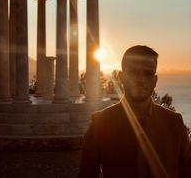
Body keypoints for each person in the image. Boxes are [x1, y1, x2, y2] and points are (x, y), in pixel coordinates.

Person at [79, 45, 191, 178]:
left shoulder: (174, 123)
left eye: (148, 73)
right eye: (133, 72)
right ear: (121, 77)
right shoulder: (100, 123)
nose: (141, 79)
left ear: (155, 81)